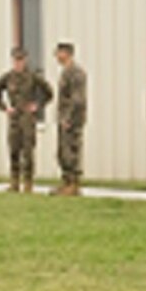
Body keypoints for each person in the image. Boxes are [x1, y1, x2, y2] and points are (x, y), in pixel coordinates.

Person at [0, 47, 54, 193]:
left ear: (25, 60)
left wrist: (37, 105)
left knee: (28, 151)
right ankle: (14, 182)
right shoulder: (7, 78)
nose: (18, 63)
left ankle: (28, 183)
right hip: (14, 118)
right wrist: (5, 108)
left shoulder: (32, 77)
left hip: (27, 118)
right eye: (16, 60)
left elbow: (49, 93)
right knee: (14, 150)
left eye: (21, 60)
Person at [52, 42, 87, 196]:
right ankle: (66, 182)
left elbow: (77, 99)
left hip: (72, 120)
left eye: (59, 53)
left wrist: (68, 118)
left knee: (71, 151)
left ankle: (73, 185)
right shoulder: (66, 72)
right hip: (65, 118)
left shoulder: (75, 73)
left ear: (67, 53)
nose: (57, 56)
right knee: (62, 152)